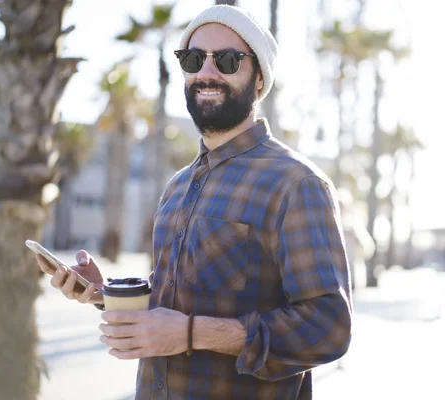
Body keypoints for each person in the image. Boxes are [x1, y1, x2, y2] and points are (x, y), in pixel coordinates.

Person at [35, 5, 352, 399]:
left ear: (258, 79)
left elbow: (329, 327)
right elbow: (174, 298)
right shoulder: (177, 186)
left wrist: (190, 334)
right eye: (194, 58)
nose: (206, 72)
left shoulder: (296, 183)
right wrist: (106, 294)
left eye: (228, 60)